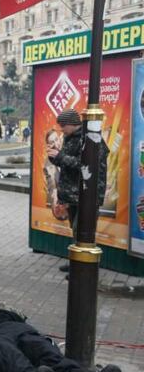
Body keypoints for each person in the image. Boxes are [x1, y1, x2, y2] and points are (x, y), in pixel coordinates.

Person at [47, 109, 109, 274]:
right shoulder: (69, 138)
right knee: (75, 230)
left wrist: (60, 157)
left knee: (83, 231)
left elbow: (87, 165)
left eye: (63, 126)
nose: (61, 130)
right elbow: (68, 163)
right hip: (73, 194)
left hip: (87, 195)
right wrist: (54, 157)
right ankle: (75, 262)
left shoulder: (90, 139)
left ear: (72, 124)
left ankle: (82, 269)